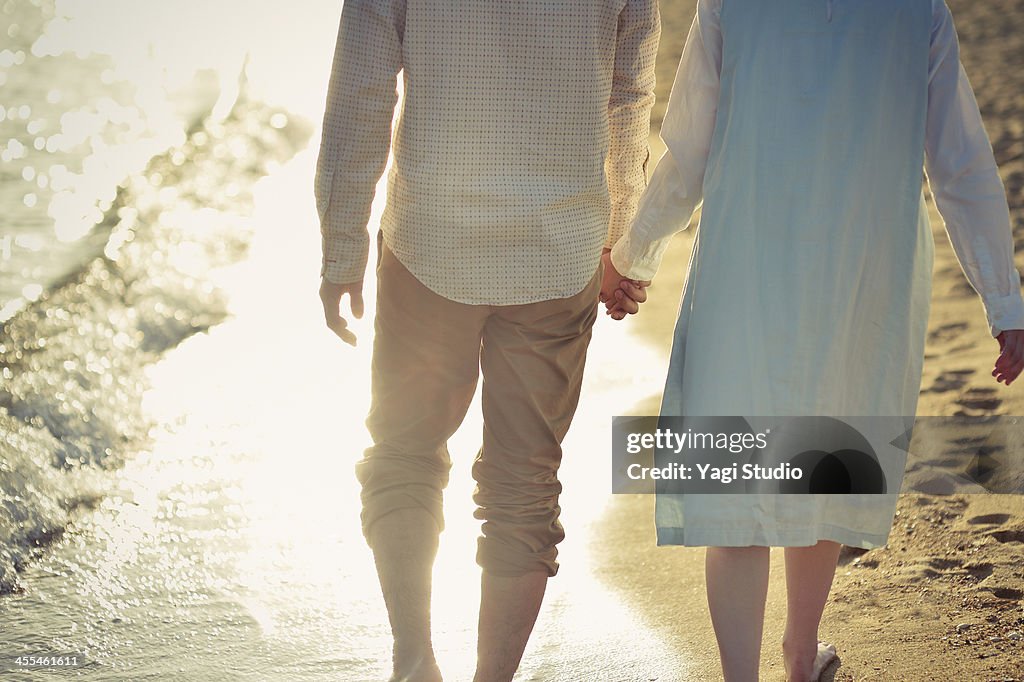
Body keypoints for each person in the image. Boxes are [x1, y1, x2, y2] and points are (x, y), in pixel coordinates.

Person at [604, 0, 1024, 680]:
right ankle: (801, 656)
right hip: (861, 271)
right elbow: (960, 163)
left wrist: (632, 257)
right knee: (827, 459)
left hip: (749, 268)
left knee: (739, 486)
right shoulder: (916, 11)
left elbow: (689, 153)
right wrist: (1003, 298)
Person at [315, 2, 656, 680]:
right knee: (525, 486)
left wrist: (341, 248)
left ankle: (415, 660)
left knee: (405, 455)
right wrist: (618, 238)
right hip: (558, 248)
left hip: (429, 242)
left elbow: (362, 88)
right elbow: (628, 96)